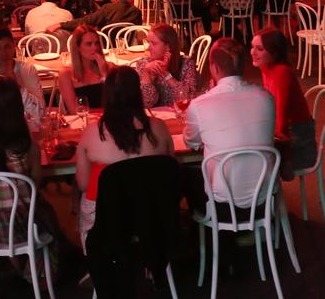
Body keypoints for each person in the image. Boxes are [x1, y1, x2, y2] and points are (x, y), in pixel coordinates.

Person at [0, 76, 59, 280]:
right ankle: (39, 271)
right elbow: (35, 186)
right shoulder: (27, 146)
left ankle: (15, 267)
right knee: (50, 211)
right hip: (21, 228)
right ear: (19, 106)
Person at [76, 66, 174, 248]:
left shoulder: (92, 134)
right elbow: (170, 169)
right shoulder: (160, 127)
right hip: (152, 212)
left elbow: (83, 184)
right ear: (138, 93)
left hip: (110, 218)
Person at [184, 38, 276, 208]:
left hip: (222, 204)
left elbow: (191, 143)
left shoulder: (199, 104)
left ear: (214, 68)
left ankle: (207, 231)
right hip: (265, 198)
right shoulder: (267, 98)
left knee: (184, 172)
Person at [251, 27, 317, 175]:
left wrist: (284, 155)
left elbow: (281, 117)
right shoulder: (266, 67)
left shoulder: (281, 72)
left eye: (259, 49)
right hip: (287, 132)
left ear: (274, 53)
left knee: (255, 162)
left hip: (298, 139)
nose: (252, 52)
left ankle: (271, 196)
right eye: (252, 47)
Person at [134, 22, 200, 108]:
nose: (148, 48)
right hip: (154, 118)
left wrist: (166, 74)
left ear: (168, 47)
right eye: (148, 42)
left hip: (177, 117)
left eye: (153, 43)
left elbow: (189, 98)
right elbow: (146, 103)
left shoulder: (186, 64)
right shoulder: (143, 64)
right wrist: (146, 74)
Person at [47, 0, 142, 35]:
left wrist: (61, 24)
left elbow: (87, 20)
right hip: (128, 47)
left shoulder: (108, 8)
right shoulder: (137, 12)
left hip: (107, 47)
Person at [58, 25, 109, 113]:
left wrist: (105, 74)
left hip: (108, 121)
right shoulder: (66, 74)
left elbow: (117, 103)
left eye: (96, 43)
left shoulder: (109, 67)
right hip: (82, 123)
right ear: (78, 47)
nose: (95, 48)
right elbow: (74, 110)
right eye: (89, 44)